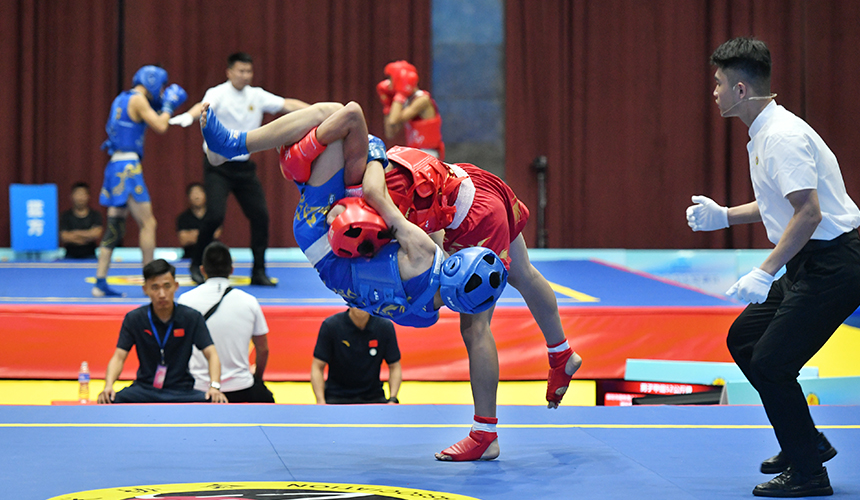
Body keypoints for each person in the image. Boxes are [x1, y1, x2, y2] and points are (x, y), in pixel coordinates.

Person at [200, 100, 509, 461]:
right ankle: (276, 157)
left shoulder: (424, 252)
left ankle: (237, 146)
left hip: (326, 227)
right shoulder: (426, 316)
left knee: (346, 116)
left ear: (457, 263)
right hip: (327, 254)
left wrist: (375, 153)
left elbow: (379, 197)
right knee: (322, 125)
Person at [686, 37, 860, 497]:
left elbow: (809, 214)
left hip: (836, 263)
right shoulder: (763, 132)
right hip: (812, 259)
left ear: (741, 89)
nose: (715, 92)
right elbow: (780, 206)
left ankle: (808, 473)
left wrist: (764, 270)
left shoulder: (780, 136)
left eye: (720, 83)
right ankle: (805, 442)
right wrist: (724, 215)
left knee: (772, 361)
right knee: (744, 338)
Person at [353, 138, 583, 412]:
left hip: (474, 217)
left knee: (474, 328)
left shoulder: (376, 198)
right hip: (475, 182)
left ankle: (485, 434)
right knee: (523, 273)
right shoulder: (369, 161)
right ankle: (561, 353)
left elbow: (429, 249)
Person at [169, 52, 310, 286]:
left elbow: (288, 104)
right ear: (229, 72)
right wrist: (188, 116)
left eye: (249, 71)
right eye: (241, 71)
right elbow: (201, 107)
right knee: (214, 216)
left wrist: (319, 112)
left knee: (261, 217)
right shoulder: (218, 93)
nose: (246, 76)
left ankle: (259, 271)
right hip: (218, 167)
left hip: (244, 167)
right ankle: (196, 265)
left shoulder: (257, 95)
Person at [93, 65, 188, 297]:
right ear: (153, 81)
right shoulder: (138, 100)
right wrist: (167, 106)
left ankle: (99, 281)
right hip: (128, 168)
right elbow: (161, 126)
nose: (163, 91)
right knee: (148, 224)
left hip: (115, 165)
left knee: (115, 226)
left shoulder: (121, 99)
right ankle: (153, 281)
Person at [97, 259, 228, 404]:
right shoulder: (134, 318)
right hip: (145, 389)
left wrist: (214, 387)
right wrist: (108, 386)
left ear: (176, 286)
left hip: (181, 391)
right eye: (155, 287)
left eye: (167, 286)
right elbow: (119, 357)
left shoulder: (191, 317)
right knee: (108, 399)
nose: (162, 294)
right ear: (145, 289)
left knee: (215, 401)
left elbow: (212, 354)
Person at [178, 241, 275, 403]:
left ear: (202, 270)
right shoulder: (249, 302)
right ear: (231, 270)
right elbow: (263, 349)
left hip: (198, 389)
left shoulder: (185, 300)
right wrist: (257, 379)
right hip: (241, 388)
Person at [311, 307, 401, 404]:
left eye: (364, 300)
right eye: (357, 300)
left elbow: (394, 366)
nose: (360, 305)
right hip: (336, 397)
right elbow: (317, 366)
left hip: (373, 397)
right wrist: (320, 401)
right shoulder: (330, 325)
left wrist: (392, 399)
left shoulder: (384, 327)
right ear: (349, 301)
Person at [377, 60, 445, 160]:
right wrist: (388, 105)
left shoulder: (422, 100)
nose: (389, 84)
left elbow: (393, 120)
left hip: (429, 154)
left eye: (391, 79)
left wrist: (400, 94)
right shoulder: (406, 101)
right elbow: (390, 133)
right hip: (416, 153)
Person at [176, 182, 222, 259]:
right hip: (190, 256)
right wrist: (206, 233)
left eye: (199, 192)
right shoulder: (183, 218)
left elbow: (216, 233)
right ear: (188, 197)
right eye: (193, 193)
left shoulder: (213, 215)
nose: (196, 196)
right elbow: (183, 239)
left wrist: (192, 234)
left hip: (212, 256)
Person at [59, 182, 103, 259]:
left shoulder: (95, 215)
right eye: (78, 194)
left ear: (88, 196)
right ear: (71, 196)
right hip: (69, 257)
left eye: (83, 194)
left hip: (91, 256)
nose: (80, 198)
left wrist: (74, 233)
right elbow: (64, 237)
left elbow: (96, 234)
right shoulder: (65, 216)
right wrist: (88, 234)